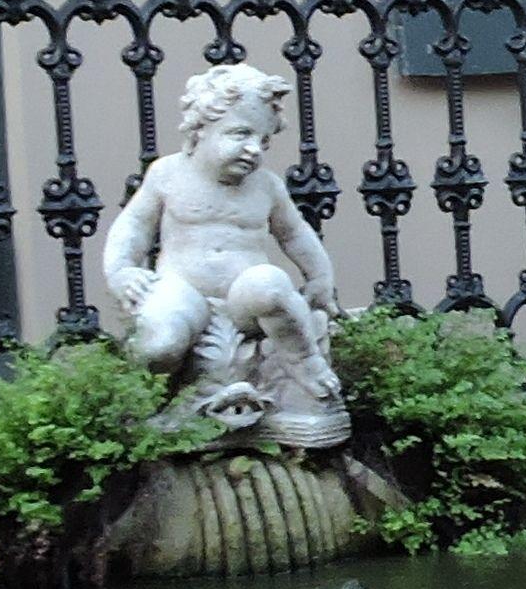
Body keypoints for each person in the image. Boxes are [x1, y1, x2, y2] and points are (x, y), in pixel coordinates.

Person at [103, 63, 350, 449]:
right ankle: (154, 402)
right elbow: (133, 226)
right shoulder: (167, 174)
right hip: (182, 291)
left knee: (270, 285)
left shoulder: (266, 186)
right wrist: (121, 271)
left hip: (242, 298)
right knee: (160, 344)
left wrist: (320, 279)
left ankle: (306, 364)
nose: (253, 149)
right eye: (240, 134)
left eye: (263, 140)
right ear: (200, 129)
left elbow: (296, 233)